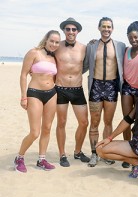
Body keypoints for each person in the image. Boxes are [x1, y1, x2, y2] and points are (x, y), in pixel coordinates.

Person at [14, 30, 60, 173]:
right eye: (52, 41)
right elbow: (23, 75)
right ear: (46, 40)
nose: (54, 44)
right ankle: (19, 157)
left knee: (47, 128)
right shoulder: (34, 52)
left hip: (52, 94)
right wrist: (23, 97)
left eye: (57, 42)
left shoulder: (55, 57)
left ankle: (41, 160)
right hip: (35, 93)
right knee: (35, 132)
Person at [83, 17, 126, 167]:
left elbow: (137, 53)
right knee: (94, 122)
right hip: (95, 86)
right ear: (99, 28)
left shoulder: (120, 46)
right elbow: (82, 66)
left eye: (109, 27)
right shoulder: (92, 46)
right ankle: (94, 153)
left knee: (108, 122)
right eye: (104, 26)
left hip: (111, 87)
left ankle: (105, 153)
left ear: (112, 29)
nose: (106, 29)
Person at [55, 17, 89, 167]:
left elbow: (87, 65)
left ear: (78, 31)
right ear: (64, 30)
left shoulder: (84, 48)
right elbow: (43, 56)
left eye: (73, 29)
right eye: (68, 29)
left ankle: (77, 151)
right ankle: (62, 154)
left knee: (84, 122)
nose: (70, 31)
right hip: (60, 89)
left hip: (77, 89)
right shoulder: (56, 46)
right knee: (61, 122)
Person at [121, 21, 138, 168]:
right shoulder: (125, 50)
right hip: (127, 88)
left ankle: (137, 151)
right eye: (131, 37)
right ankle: (127, 153)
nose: (133, 40)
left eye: (136, 37)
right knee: (126, 121)